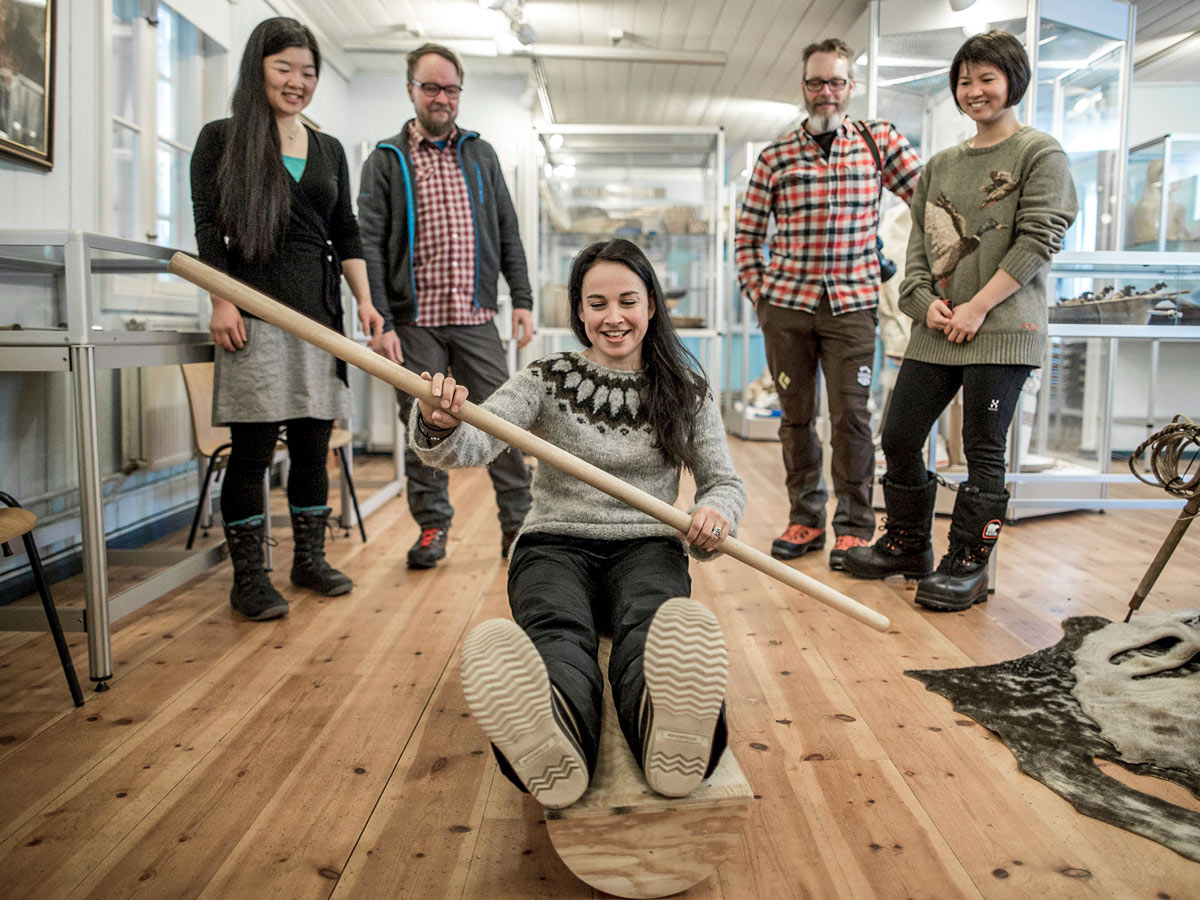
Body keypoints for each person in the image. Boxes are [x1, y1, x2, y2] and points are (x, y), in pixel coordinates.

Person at [411, 239, 746, 808]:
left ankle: (669, 729)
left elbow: (724, 483)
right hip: (554, 543)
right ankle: (554, 737)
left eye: (627, 301)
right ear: (579, 311)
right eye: (596, 304)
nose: (612, 318)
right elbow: (472, 444)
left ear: (652, 306)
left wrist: (714, 514)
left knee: (649, 627)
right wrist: (437, 421)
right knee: (558, 632)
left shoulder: (687, 390)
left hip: (646, 545)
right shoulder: (544, 378)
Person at [843, 30, 1078, 611]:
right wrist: (927, 305)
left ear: (1012, 82)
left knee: (983, 448)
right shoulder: (941, 165)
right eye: (964, 81)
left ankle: (969, 561)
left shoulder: (1039, 154)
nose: (974, 91)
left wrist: (977, 307)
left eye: (986, 79)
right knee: (898, 435)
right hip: (938, 330)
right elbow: (918, 251)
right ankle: (905, 543)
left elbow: (1038, 239)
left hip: (1002, 331)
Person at [190, 17, 384, 621]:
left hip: (320, 318)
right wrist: (221, 299)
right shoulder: (221, 139)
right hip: (253, 312)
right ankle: (249, 577)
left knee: (311, 446)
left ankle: (308, 560)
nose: (298, 82)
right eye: (284, 69)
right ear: (258, 69)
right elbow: (207, 228)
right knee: (251, 451)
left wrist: (367, 302)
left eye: (308, 71)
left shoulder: (326, 148)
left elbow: (345, 231)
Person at [734, 38, 923, 571]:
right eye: (816, 82)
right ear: (804, 87)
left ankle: (854, 527)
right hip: (787, 308)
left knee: (852, 420)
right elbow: (746, 236)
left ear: (850, 87)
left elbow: (929, 196)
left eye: (836, 82)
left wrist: (929, 270)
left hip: (853, 306)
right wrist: (760, 296)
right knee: (796, 418)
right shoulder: (776, 155)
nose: (826, 92)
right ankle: (805, 518)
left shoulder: (876, 140)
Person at [358, 42, 534, 571]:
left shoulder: (481, 154)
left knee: (502, 423)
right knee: (422, 426)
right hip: (414, 324)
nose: (442, 97)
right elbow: (367, 240)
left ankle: (518, 529)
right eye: (431, 87)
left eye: (451, 88)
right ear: (411, 89)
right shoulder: (387, 159)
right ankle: (433, 528)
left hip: (477, 316)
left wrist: (521, 299)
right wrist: (381, 319)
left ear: (460, 93)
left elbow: (507, 230)